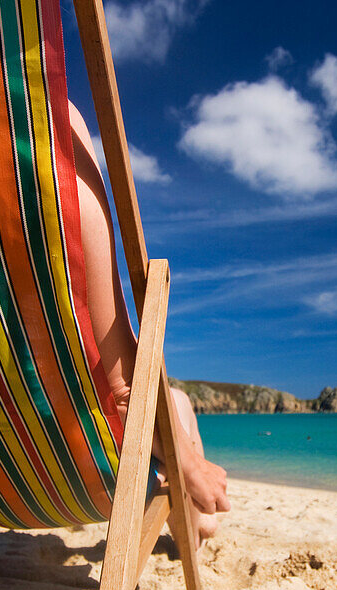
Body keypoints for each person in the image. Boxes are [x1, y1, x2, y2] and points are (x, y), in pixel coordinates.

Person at [67, 102, 229, 545]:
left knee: (173, 402)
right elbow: (124, 394)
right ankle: (191, 512)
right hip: (70, 458)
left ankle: (189, 508)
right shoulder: (42, 131)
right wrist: (191, 466)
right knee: (174, 401)